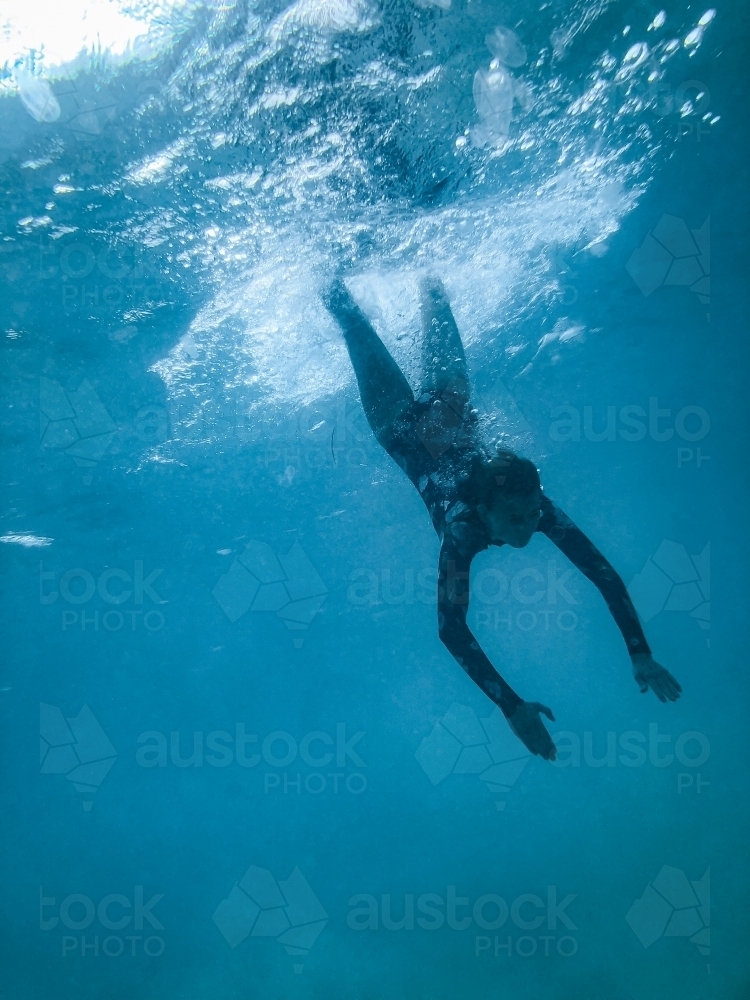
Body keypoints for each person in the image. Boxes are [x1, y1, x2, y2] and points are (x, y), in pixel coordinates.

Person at [323, 276, 681, 761]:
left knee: (348, 315)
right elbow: (449, 629)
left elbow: (601, 573)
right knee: (430, 294)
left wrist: (639, 651)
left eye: (534, 512)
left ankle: (340, 257)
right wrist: (511, 706)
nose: (530, 525)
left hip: (405, 425)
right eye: (517, 517)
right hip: (430, 415)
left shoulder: (534, 507)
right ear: (488, 509)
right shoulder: (464, 531)